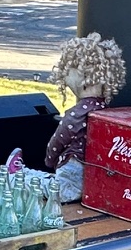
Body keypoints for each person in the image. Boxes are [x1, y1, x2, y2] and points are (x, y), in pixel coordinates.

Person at [42, 33, 126, 202]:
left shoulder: (77, 114)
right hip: (91, 171)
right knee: (64, 190)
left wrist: (49, 160)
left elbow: (58, 141)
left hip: (74, 167)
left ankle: (20, 176)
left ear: (81, 77)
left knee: (59, 192)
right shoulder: (105, 111)